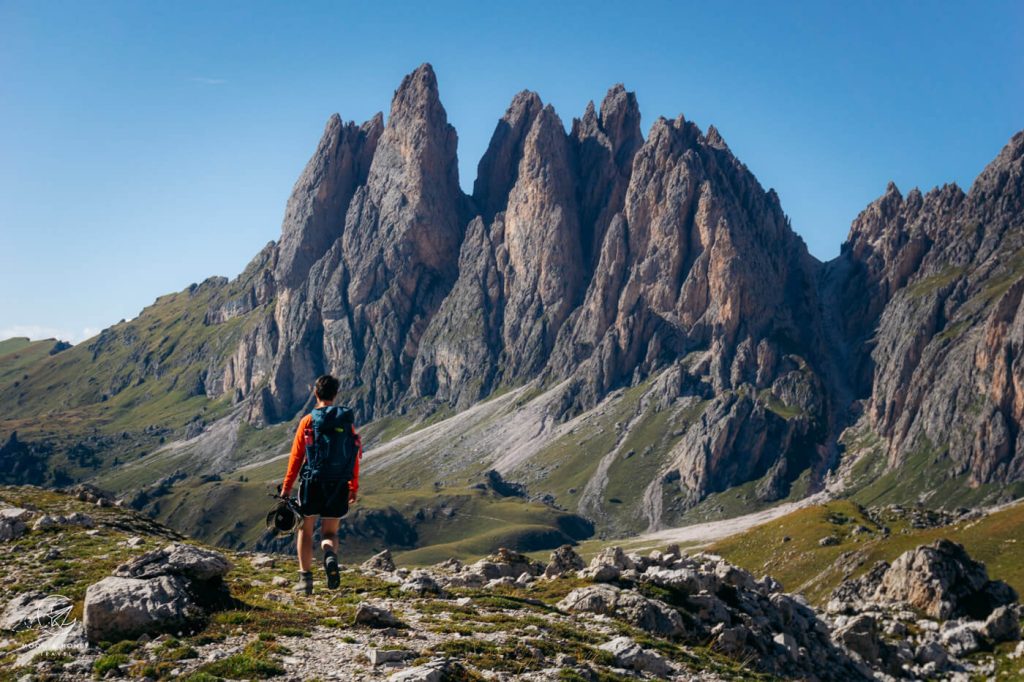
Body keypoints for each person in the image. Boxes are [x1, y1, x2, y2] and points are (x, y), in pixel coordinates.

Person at [279, 374, 362, 595]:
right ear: (335, 395)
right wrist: (353, 486)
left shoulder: (308, 421)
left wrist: (287, 488)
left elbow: (296, 457)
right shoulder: (346, 423)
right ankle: (330, 555)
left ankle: (305, 580)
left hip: (312, 483)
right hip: (338, 484)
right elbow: (354, 454)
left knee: (305, 531)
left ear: (316, 393)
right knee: (330, 533)